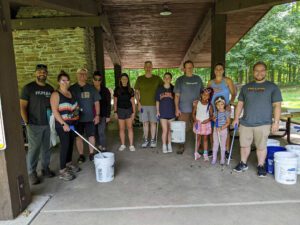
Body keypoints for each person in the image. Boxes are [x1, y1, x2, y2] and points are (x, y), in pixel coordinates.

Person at [233, 61, 282, 177]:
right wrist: (236, 118)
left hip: (263, 123)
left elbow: (277, 105)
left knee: (261, 146)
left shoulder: (272, 87)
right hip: (246, 123)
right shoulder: (246, 87)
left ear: (265, 71)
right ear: (253, 72)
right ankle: (243, 163)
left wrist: (276, 122)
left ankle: (261, 165)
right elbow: (240, 104)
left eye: (262, 70)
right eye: (256, 70)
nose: (259, 73)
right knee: (244, 145)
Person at [20, 64, 55, 185]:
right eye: (39, 71)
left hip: (47, 124)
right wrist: (27, 122)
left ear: (47, 74)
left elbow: (53, 105)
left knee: (47, 148)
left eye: (44, 71)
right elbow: (22, 106)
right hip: (33, 124)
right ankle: (31, 172)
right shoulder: (28, 88)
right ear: (35, 73)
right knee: (34, 149)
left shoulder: (50, 89)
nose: (42, 73)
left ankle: (45, 169)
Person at [50, 71, 81, 181]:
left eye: (67, 80)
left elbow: (76, 107)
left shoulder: (70, 93)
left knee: (70, 144)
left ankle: (68, 164)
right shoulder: (55, 94)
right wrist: (64, 124)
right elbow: (55, 111)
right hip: (62, 125)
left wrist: (76, 113)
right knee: (65, 145)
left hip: (72, 124)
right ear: (58, 82)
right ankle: (62, 170)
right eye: (63, 80)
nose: (66, 82)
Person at [69, 68, 100, 163]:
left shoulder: (91, 88)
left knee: (91, 136)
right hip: (77, 118)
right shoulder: (71, 89)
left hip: (90, 117)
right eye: (80, 74)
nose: (82, 75)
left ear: (87, 76)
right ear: (77, 75)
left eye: (84, 74)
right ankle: (81, 155)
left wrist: (97, 115)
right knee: (78, 137)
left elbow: (96, 102)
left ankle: (91, 153)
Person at [174, 60, 204, 154]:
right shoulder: (180, 80)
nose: (189, 69)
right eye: (187, 67)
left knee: (198, 129)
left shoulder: (198, 79)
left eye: (191, 67)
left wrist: (200, 101)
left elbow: (203, 94)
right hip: (183, 109)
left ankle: (199, 147)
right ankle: (181, 146)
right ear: (184, 69)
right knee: (182, 129)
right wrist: (177, 109)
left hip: (197, 110)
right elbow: (177, 96)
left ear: (193, 67)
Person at [207, 63, 236, 158]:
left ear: (223, 70)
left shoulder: (227, 81)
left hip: (224, 109)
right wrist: (210, 107)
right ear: (214, 71)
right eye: (216, 68)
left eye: (220, 69)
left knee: (225, 129)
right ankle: (212, 149)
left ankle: (226, 150)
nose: (218, 70)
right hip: (213, 109)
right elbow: (208, 96)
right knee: (213, 129)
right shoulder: (210, 82)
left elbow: (234, 93)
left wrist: (229, 104)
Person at [134, 61, 163, 148]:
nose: (148, 68)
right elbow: (136, 92)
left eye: (150, 66)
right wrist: (138, 103)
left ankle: (153, 140)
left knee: (153, 123)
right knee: (145, 123)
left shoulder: (157, 78)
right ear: (144, 67)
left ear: (152, 67)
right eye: (146, 66)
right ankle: (146, 140)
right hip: (143, 105)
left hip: (154, 105)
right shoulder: (140, 78)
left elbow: (164, 88)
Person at [114, 73, 136, 151]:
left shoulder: (130, 90)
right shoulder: (117, 89)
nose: (124, 80)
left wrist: (134, 113)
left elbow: (133, 102)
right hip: (120, 110)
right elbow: (115, 102)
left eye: (126, 79)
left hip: (129, 110)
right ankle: (123, 145)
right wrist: (115, 112)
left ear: (128, 80)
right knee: (122, 128)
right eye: (123, 79)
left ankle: (131, 145)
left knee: (130, 128)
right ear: (120, 80)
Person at [155, 72, 176, 153]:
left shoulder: (174, 89)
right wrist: (157, 111)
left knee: (170, 130)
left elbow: (176, 101)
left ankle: (169, 144)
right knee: (165, 130)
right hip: (163, 113)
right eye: (165, 77)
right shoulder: (159, 89)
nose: (167, 79)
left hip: (171, 113)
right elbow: (157, 101)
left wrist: (177, 110)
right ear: (163, 79)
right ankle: (164, 145)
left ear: (171, 79)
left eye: (168, 77)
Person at [192, 88, 213, 161]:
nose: (205, 96)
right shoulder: (197, 103)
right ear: (201, 95)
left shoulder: (210, 105)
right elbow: (193, 114)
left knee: (205, 139)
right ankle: (196, 153)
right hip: (198, 123)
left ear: (209, 96)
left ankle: (205, 153)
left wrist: (208, 120)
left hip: (206, 124)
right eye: (204, 95)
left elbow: (211, 116)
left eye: (207, 95)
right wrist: (195, 120)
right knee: (198, 138)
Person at [92, 71, 111, 152]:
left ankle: (103, 147)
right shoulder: (90, 89)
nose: (97, 81)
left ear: (101, 80)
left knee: (101, 132)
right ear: (93, 80)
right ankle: (98, 146)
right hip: (92, 114)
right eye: (95, 79)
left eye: (99, 79)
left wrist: (108, 116)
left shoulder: (105, 90)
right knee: (94, 132)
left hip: (102, 114)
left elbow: (108, 103)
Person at [211, 96, 230, 165]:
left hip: (223, 130)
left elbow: (228, 122)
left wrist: (221, 128)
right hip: (216, 130)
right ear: (215, 105)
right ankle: (214, 158)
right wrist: (214, 119)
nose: (220, 106)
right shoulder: (216, 112)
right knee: (215, 144)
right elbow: (213, 118)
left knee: (222, 145)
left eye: (221, 104)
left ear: (224, 105)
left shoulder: (226, 113)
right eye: (218, 105)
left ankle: (222, 159)